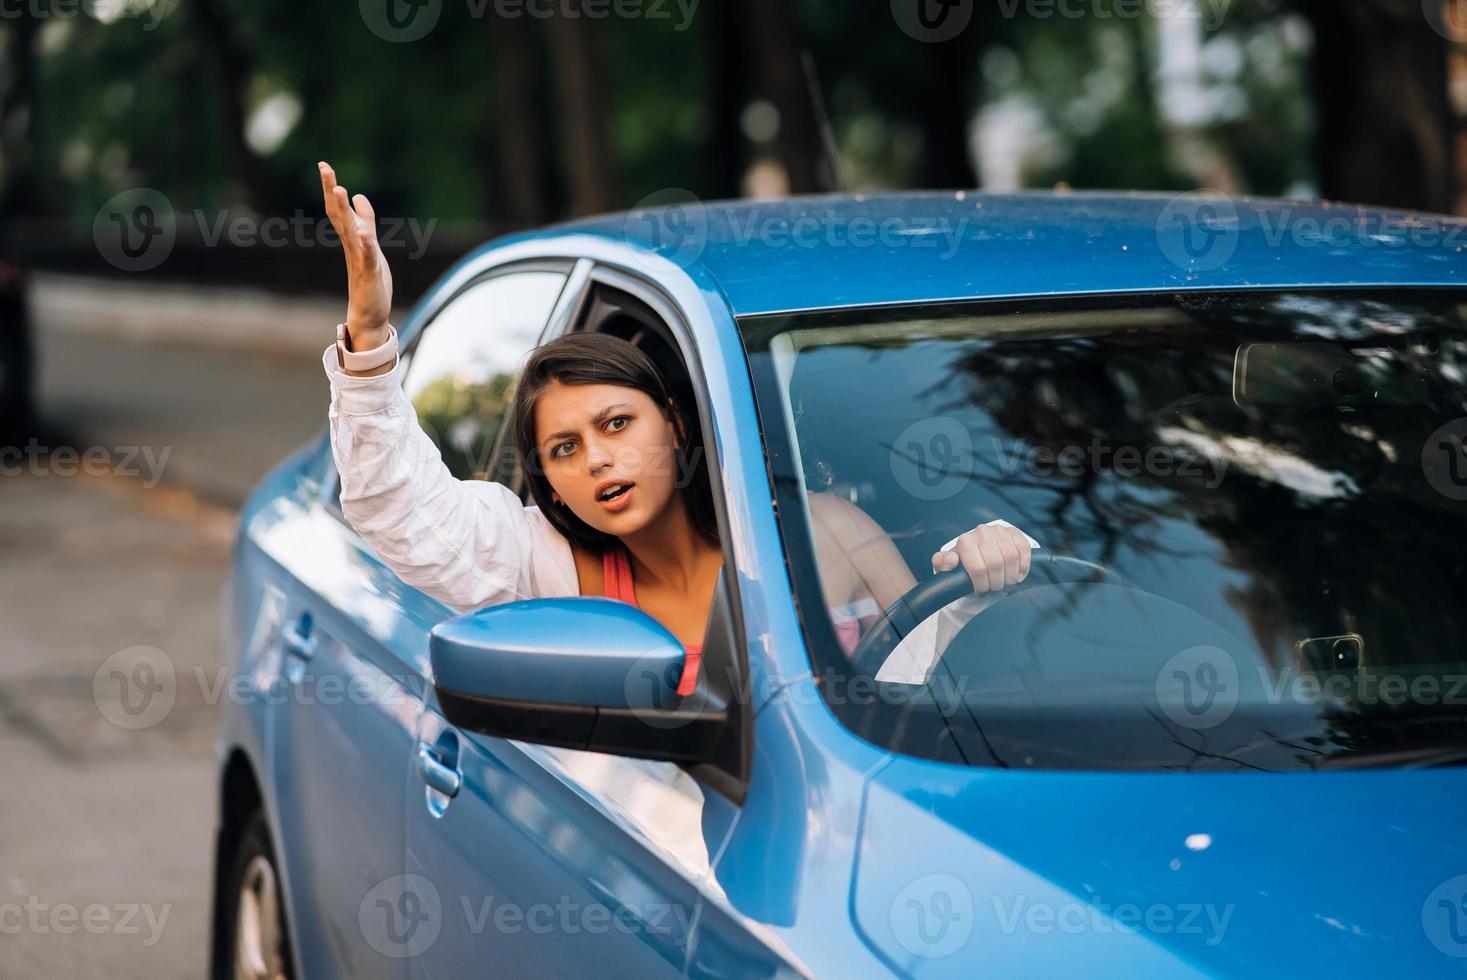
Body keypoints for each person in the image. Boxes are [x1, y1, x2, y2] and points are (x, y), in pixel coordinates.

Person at [316, 161, 1036, 690]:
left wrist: (985, 569)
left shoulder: (825, 536)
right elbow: (400, 512)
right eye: (564, 448)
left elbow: (929, 688)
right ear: (552, 488)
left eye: (616, 423)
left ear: (677, 429)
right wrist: (372, 334)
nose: (596, 459)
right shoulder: (546, 564)